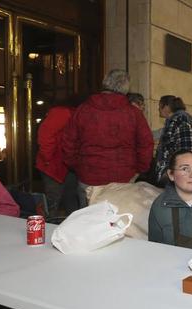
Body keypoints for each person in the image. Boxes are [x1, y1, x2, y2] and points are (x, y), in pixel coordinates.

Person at [62, 69, 154, 207]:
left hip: (89, 176)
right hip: (123, 178)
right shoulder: (133, 113)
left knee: (88, 222)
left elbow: (68, 142)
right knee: (119, 222)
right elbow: (146, 144)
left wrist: (78, 166)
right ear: (125, 88)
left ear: (105, 83)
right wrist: (138, 170)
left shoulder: (83, 110)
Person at [35, 95, 82, 216]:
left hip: (65, 165)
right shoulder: (63, 112)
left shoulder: (69, 113)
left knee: (69, 199)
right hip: (54, 165)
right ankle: (46, 230)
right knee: (53, 202)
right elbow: (45, 136)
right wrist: (48, 159)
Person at [154, 96, 192, 187]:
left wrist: (173, 173)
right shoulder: (172, 122)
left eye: (160, 106)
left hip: (174, 175)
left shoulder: (181, 122)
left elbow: (186, 150)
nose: (158, 109)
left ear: (167, 107)